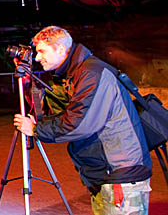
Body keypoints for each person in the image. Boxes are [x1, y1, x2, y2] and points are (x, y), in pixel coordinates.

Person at [14, 26, 152, 214]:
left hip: (120, 174)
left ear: (61, 50)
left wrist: (37, 129)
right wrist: (28, 82)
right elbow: (59, 108)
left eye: (42, 51)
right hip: (104, 173)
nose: (37, 58)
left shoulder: (91, 74)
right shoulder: (75, 73)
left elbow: (76, 123)